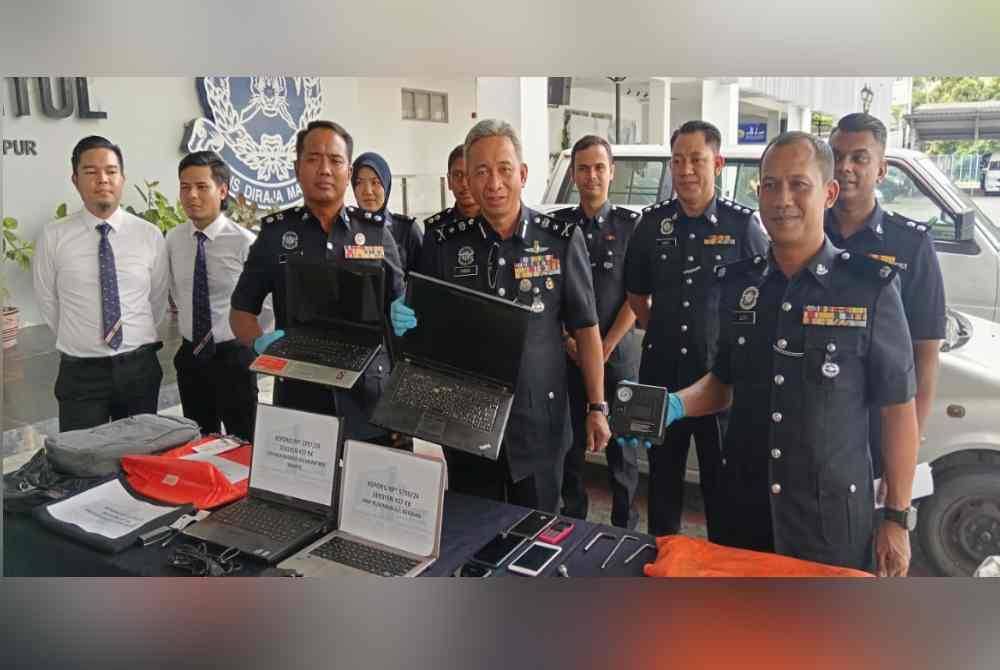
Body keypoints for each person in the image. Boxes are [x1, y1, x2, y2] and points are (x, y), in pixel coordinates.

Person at [631, 131, 918, 575]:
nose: (782, 199)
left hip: (829, 522)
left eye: (798, 185)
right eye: (770, 185)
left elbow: (898, 410)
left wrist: (896, 518)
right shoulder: (739, 284)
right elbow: (723, 382)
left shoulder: (869, 289)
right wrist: (672, 406)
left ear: (828, 193)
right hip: (745, 512)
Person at [394, 119, 611, 512]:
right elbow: (425, 331)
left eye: (504, 169)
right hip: (465, 422)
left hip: (540, 423)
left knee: (538, 532)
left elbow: (586, 327)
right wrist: (405, 319)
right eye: (481, 171)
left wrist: (597, 407)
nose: (493, 183)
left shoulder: (559, 240)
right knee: (474, 531)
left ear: (522, 174)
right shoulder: (445, 244)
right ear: (467, 179)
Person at [624, 120, 768, 538]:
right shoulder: (652, 225)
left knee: (721, 488)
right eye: (677, 161)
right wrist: (661, 331)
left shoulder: (742, 227)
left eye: (696, 160)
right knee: (662, 485)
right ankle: (663, 563)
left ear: (717, 164)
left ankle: (720, 569)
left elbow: (762, 300)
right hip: (661, 378)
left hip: (718, 382)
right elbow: (636, 295)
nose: (685, 170)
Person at [229, 120, 404, 442]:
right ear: (297, 168)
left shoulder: (376, 233)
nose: (324, 169)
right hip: (300, 395)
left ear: (348, 172)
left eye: (335, 160)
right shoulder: (275, 235)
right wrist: (259, 343)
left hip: (371, 398)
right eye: (313, 159)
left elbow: (401, 309)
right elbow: (241, 310)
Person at [826, 113, 945, 481]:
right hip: (812, 421)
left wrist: (905, 456)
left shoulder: (910, 244)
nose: (845, 167)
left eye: (859, 158)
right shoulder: (806, 233)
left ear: (881, 170)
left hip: (878, 426)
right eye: (836, 156)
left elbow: (925, 354)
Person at [33, 135, 169, 432]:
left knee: (138, 454)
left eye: (110, 171)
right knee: (81, 456)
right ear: (75, 179)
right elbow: (47, 301)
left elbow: (156, 300)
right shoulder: (53, 236)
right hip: (81, 373)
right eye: (91, 171)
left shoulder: (149, 234)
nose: (102, 179)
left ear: (122, 178)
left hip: (139, 369)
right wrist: (81, 338)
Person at [550, 135, 641, 528]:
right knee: (569, 450)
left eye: (599, 167)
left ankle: (625, 529)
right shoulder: (556, 227)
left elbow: (637, 296)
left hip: (618, 359)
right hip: (568, 358)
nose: (592, 176)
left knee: (624, 455)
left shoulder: (631, 227)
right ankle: (572, 524)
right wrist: (569, 342)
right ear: (572, 175)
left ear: (612, 172)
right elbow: (546, 293)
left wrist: (603, 347)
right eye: (583, 168)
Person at [166, 151, 259, 440]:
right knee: (198, 443)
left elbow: (264, 305)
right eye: (185, 187)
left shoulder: (245, 242)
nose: (192, 195)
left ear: (222, 190)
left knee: (243, 442)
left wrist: (254, 345)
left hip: (234, 359)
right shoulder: (173, 239)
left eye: (201, 187)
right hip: (191, 357)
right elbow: (174, 291)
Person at [352, 151, 424, 273]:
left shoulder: (407, 231)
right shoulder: (346, 230)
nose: (368, 191)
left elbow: (423, 280)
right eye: (359, 182)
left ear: (386, 185)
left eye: (375, 182)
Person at [424, 144, 481, 235]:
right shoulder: (436, 229)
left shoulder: (499, 223)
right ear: (449, 181)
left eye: (470, 174)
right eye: (457, 175)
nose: (464, 183)